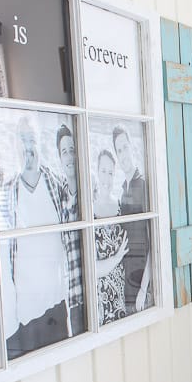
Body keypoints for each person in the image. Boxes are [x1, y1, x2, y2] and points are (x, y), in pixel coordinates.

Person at [4, 115, 68, 358]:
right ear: (16, 146)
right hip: (27, 312)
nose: (28, 147)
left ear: (40, 143)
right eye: (22, 141)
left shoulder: (55, 184)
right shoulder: (9, 193)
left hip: (57, 303)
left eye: (31, 139)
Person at [112, 125, 151, 313]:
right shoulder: (122, 191)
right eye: (119, 150)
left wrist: (144, 289)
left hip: (143, 286)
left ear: (132, 146)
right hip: (126, 284)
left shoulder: (143, 184)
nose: (123, 154)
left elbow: (154, 243)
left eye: (125, 147)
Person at [93, 149, 128, 325]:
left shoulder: (120, 207)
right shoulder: (89, 209)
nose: (107, 178)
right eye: (103, 171)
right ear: (97, 171)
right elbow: (93, 268)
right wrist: (117, 257)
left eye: (111, 173)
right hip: (99, 295)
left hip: (120, 291)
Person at [56, 124, 85, 336]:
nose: (69, 156)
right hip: (74, 296)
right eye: (64, 151)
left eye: (72, 150)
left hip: (96, 290)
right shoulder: (60, 198)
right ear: (60, 158)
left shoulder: (91, 192)